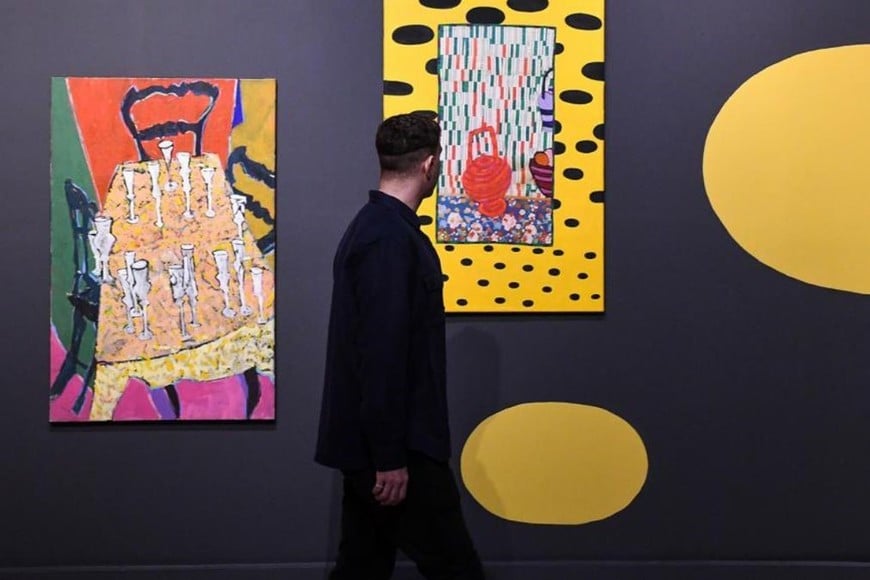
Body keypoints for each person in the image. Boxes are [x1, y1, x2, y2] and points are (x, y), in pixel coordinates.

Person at [316, 113, 485, 580]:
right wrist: (389, 457)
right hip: (398, 450)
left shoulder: (374, 229)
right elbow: (382, 353)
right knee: (455, 569)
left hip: (378, 445)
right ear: (430, 165)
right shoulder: (389, 240)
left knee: (362, 566)